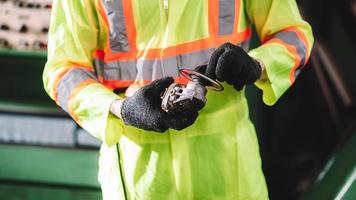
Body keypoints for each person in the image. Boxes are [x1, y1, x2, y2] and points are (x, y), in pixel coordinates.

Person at [43, 0, 313, 199]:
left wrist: (257, 65)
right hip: (140, 180)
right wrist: (121, 109)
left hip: (229, 175)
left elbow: (294, 34)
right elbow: (63, 71)